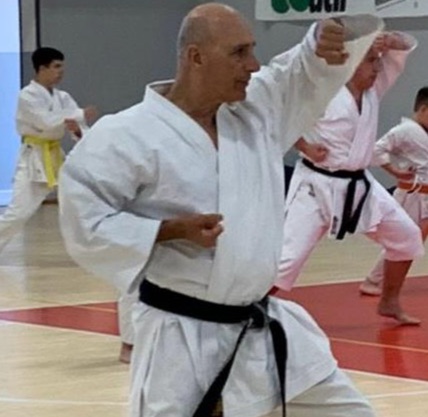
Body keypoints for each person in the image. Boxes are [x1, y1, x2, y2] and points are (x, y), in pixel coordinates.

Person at [58, 3, 382, 417]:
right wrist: (169, 230)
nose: (253, 65)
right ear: (195, 57)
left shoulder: (256, 111)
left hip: (261, 330)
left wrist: (322, 39)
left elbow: (297, 72)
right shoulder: (125, 135)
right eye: (239, 53)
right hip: (181, 339)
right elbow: (85, 222)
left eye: (252, 50)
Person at [275, 32, 424, 325]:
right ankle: (245, 311)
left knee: (407, 237)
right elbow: (280, 118)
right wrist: (304, 147)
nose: (378, 67)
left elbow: (401, 51)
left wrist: (389, 42)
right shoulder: (321, 91)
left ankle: (389, 301)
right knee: (286, 261)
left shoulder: (372, 90)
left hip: (360, 186)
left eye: (377, 61)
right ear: (349, 63)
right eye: (370, 61)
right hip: (315, 186)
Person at [0, 47, 97, 252]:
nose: (61, 71)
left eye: (62, 67)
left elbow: (78, 127)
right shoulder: (27, 95)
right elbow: (45, 122)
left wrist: (77, 129)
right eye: (56, 66)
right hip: (34, 157)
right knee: (18, 213)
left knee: (82, 199)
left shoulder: (63, 97)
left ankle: (97, 248)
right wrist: (78, 115)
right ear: (42, 68)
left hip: (56, 157)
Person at [359, 86, 428, 296]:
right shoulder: (405, 131)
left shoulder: (421, 133)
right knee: (406, 239)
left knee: (411, 240)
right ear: (424, 109)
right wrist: (394, 171)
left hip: (423, 195)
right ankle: (374, 280)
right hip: (413, 195)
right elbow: (376, 149)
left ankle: (382, 280)